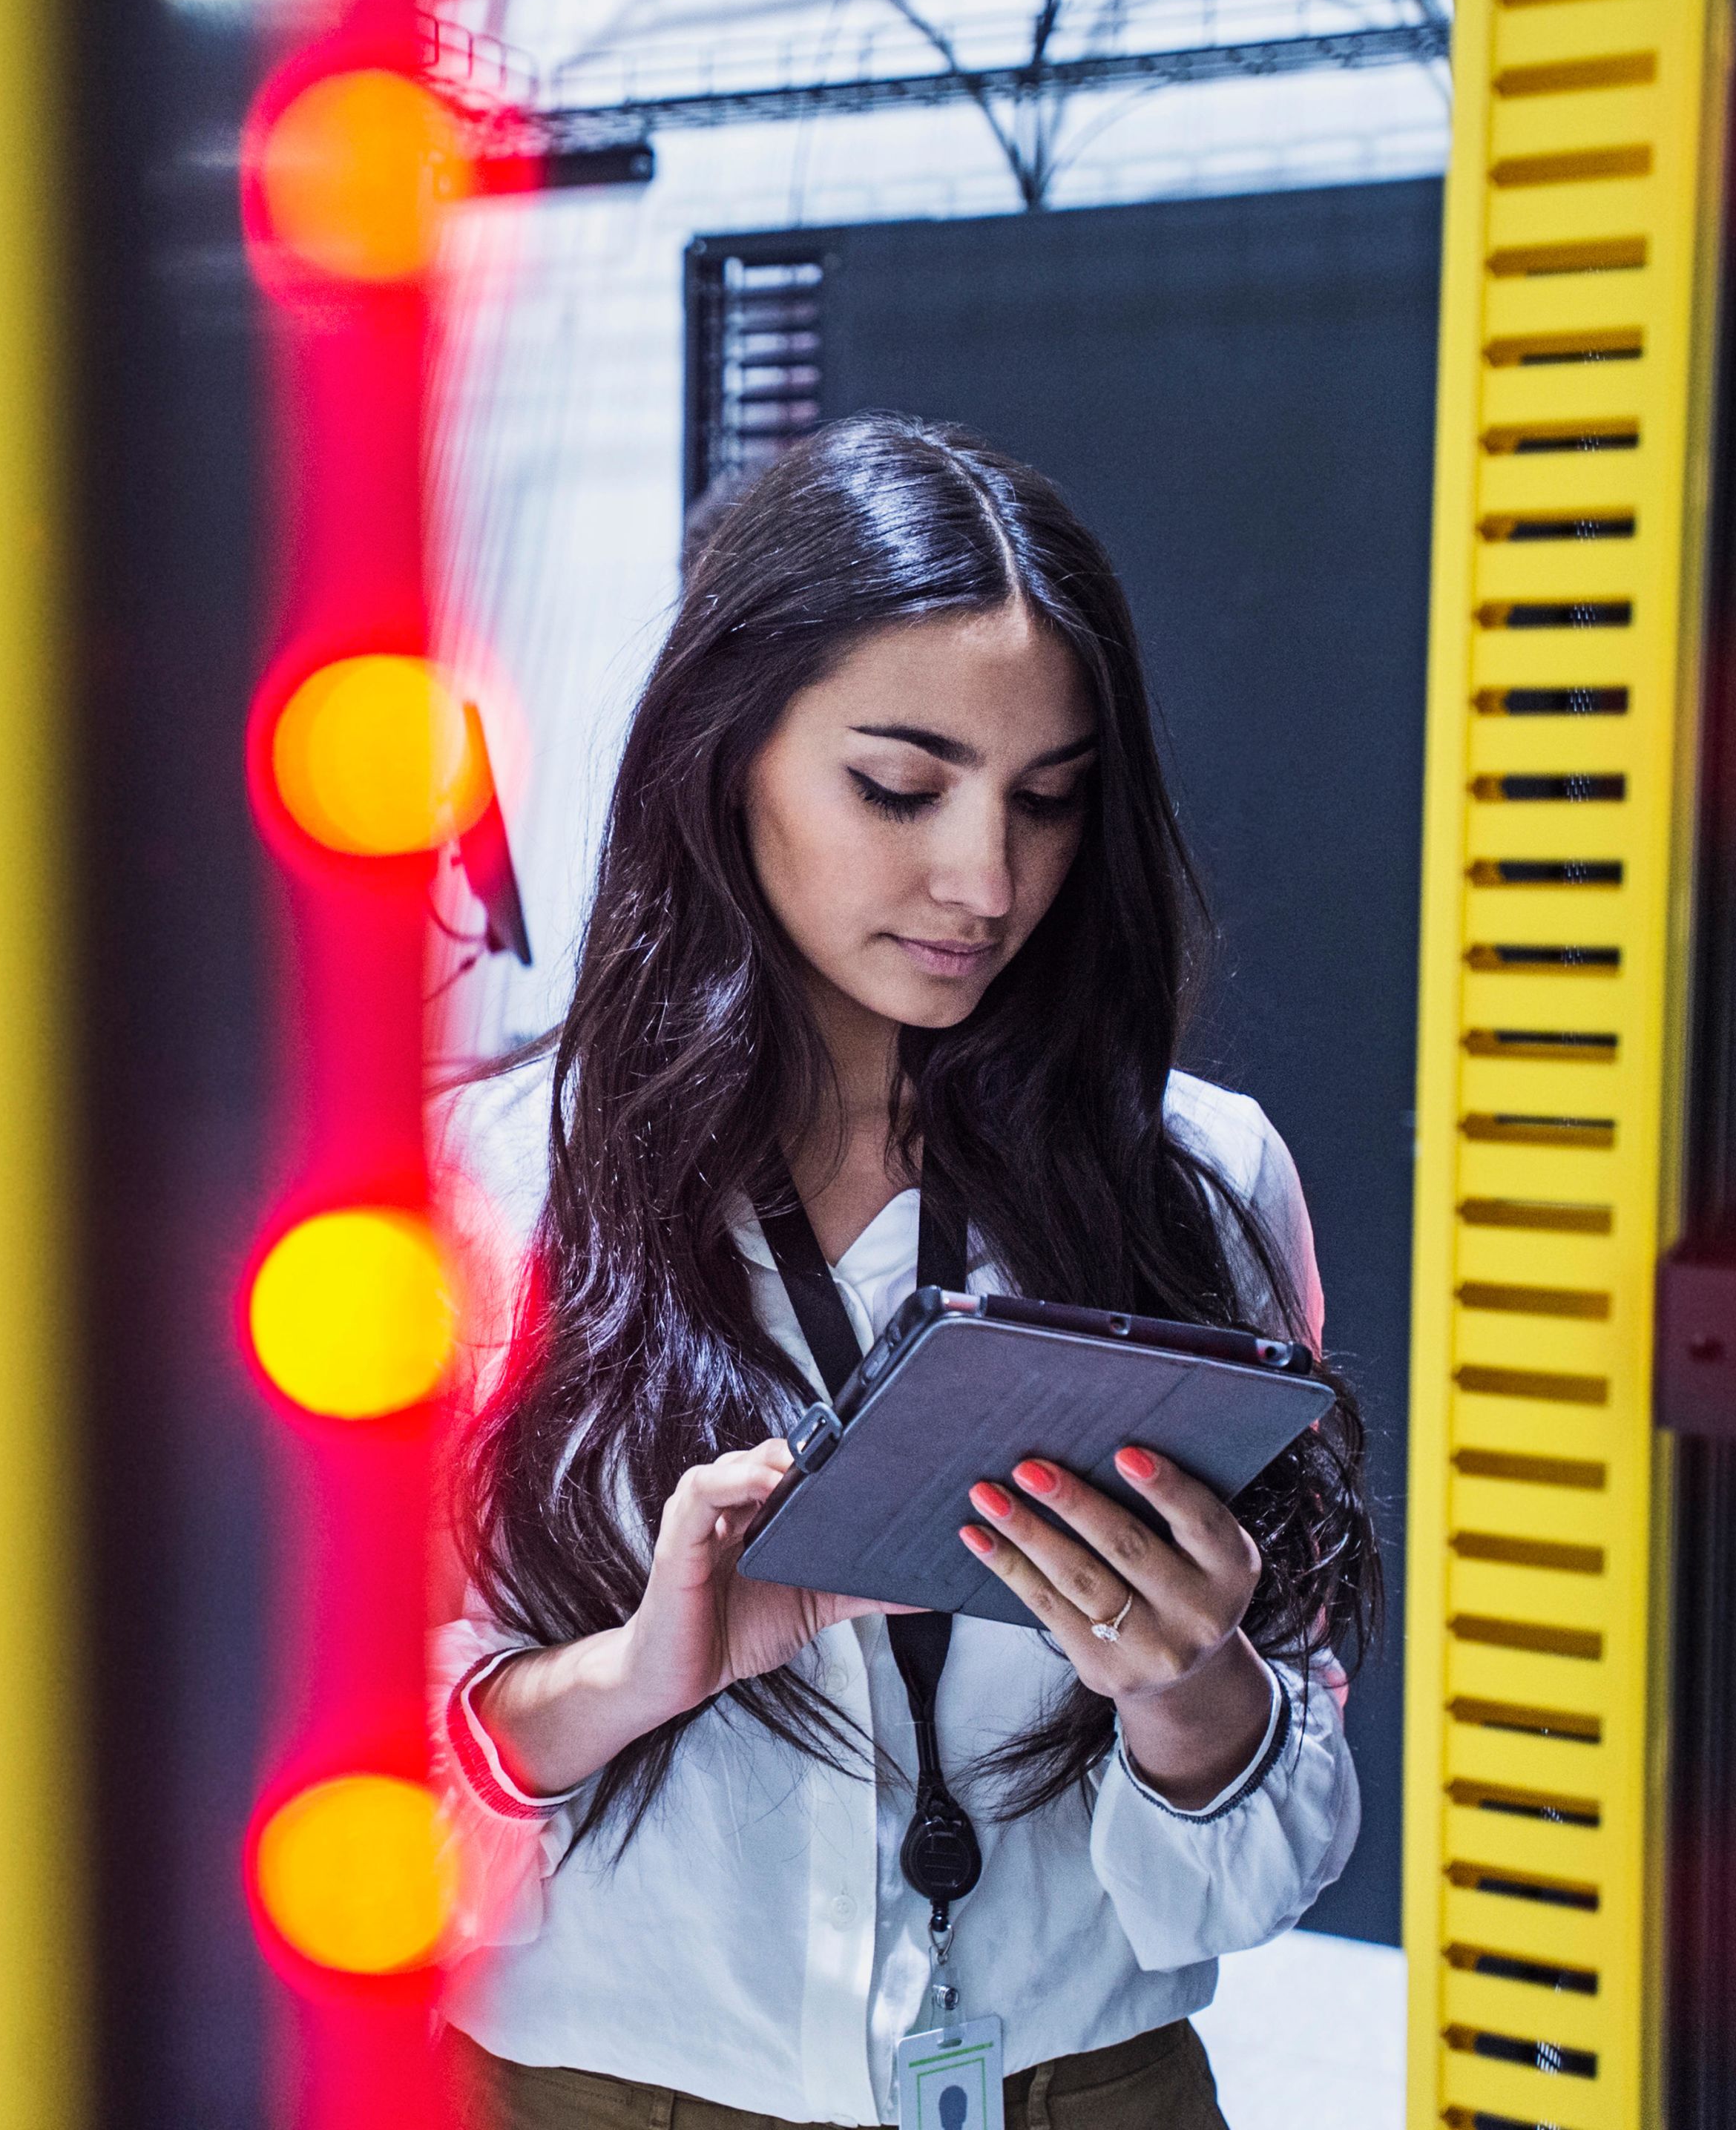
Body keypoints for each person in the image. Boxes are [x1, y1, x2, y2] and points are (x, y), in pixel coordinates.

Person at [430, 415, 1381, 2130]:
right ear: (729, 758)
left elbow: (1245, 1885)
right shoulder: (488, 1191)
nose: (984, 881)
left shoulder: (1192, 1182)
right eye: (896, 787)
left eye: (1047, 802)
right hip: (601, 2092)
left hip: (1082, 2091)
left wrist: (1187, 1686)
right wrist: (628, 1680)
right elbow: (351, 1826)